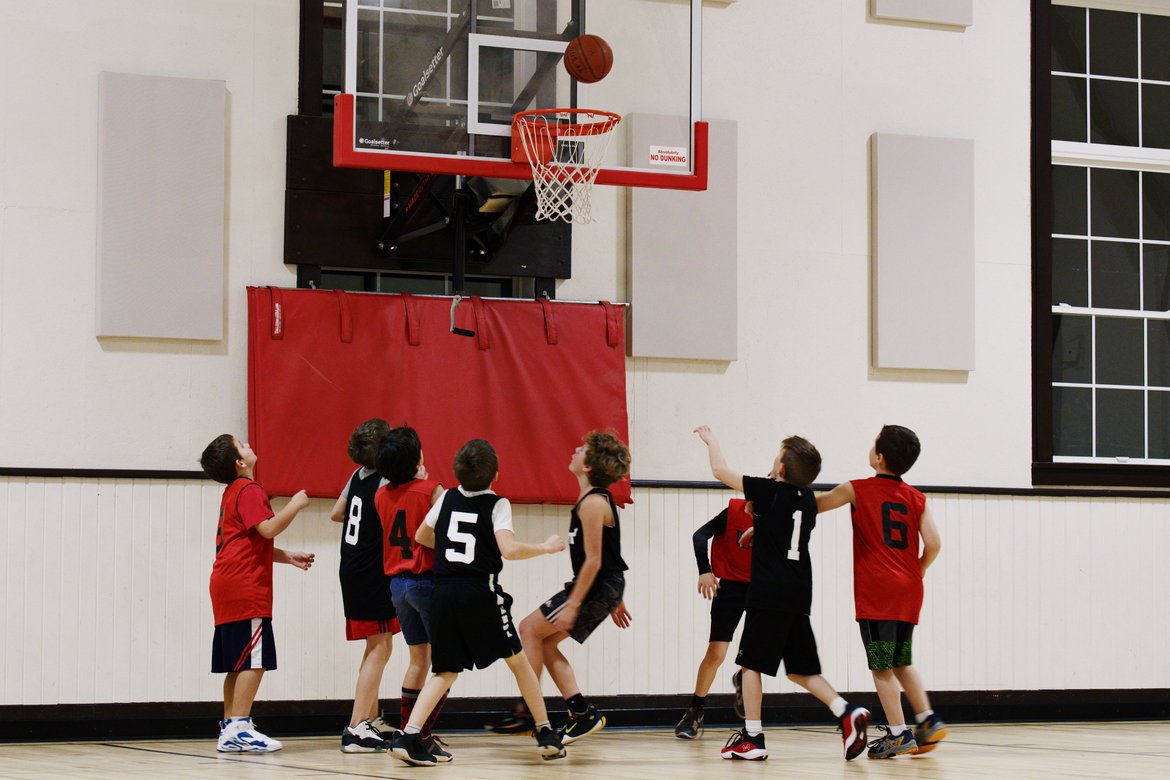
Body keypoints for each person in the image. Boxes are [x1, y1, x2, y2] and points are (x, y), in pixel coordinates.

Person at [694, 425, 870, 762]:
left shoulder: (767, 490)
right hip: (799, 592)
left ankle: (752, 738)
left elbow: (720, 471)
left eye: (776, 458)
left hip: (769, 592)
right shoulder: (808, 500)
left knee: (749, 665)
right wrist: (758, 528)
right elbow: (787, 523)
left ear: (782, 469)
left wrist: (712, 441)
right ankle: (846, 712)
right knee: (800, 670)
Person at [388, 439, 568, 766]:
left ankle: (409, 735)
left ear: (457, 471)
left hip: (442, 593)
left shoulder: (447, 498)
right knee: (519, 662)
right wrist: (545, 546)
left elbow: (422, 537)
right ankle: (544, 732)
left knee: (444, 671)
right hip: (479, 593)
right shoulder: (497, 504)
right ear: (495, 474)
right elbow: (510, 550)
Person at [815, 424, 946, 759]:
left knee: (881, 666)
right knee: (902, 660)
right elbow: (933, 544)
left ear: (879, 456)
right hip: (909, 588)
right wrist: (918, 569)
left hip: (878, 591)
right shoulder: (917, 498)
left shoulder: (856, 489)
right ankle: (928, 719)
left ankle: (900, 735)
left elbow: (816, 505)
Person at [511, 430, 633, 744]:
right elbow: (609, 554)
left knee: (528, 629)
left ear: (588, 466)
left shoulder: (593, 503)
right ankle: (581, 714)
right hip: (602, 586)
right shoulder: (592, 500)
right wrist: (614, 597)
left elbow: (594, 560)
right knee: (545, 642)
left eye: (581, 449)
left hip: (594, 586)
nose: (575, 450)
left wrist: (576, 604)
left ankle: (528, 714)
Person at [200, 434, 315, 753]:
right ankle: (239, 726)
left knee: (237, 662)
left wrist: (286, 556)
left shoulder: (232, 492)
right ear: (239, 462)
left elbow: (249, 540)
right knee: (255, 660)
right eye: (243, 446)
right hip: (244, 585)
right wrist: (295, 504)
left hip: (225, 582)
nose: (250, 445)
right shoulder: (250, 489)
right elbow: (267, 529)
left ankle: (229, 727)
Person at [374, 426, 448, 760]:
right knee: (447, 664)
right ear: (417, 458)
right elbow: (445, 537)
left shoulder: (379, 495)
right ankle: (418, 735)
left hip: (397, 586)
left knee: (418, 659)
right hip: (427, 581)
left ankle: (409, 731)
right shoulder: (433, 490)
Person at [329, 418, 401, 752]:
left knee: (374, 645)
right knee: (382, 646)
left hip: (351, 566)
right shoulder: (387, 482)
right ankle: (356, 728)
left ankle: (368, 719)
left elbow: (336, 513)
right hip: (373, 572)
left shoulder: (356, 476)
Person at [674, 497, 755, 739]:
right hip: (731, 588)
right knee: (716, 653)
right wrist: (704, 570)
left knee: (752, 659)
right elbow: (699, 535)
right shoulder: (733, 512)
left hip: (761, 590)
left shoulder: (778, 520)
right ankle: (694, 710)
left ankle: (752, 726)